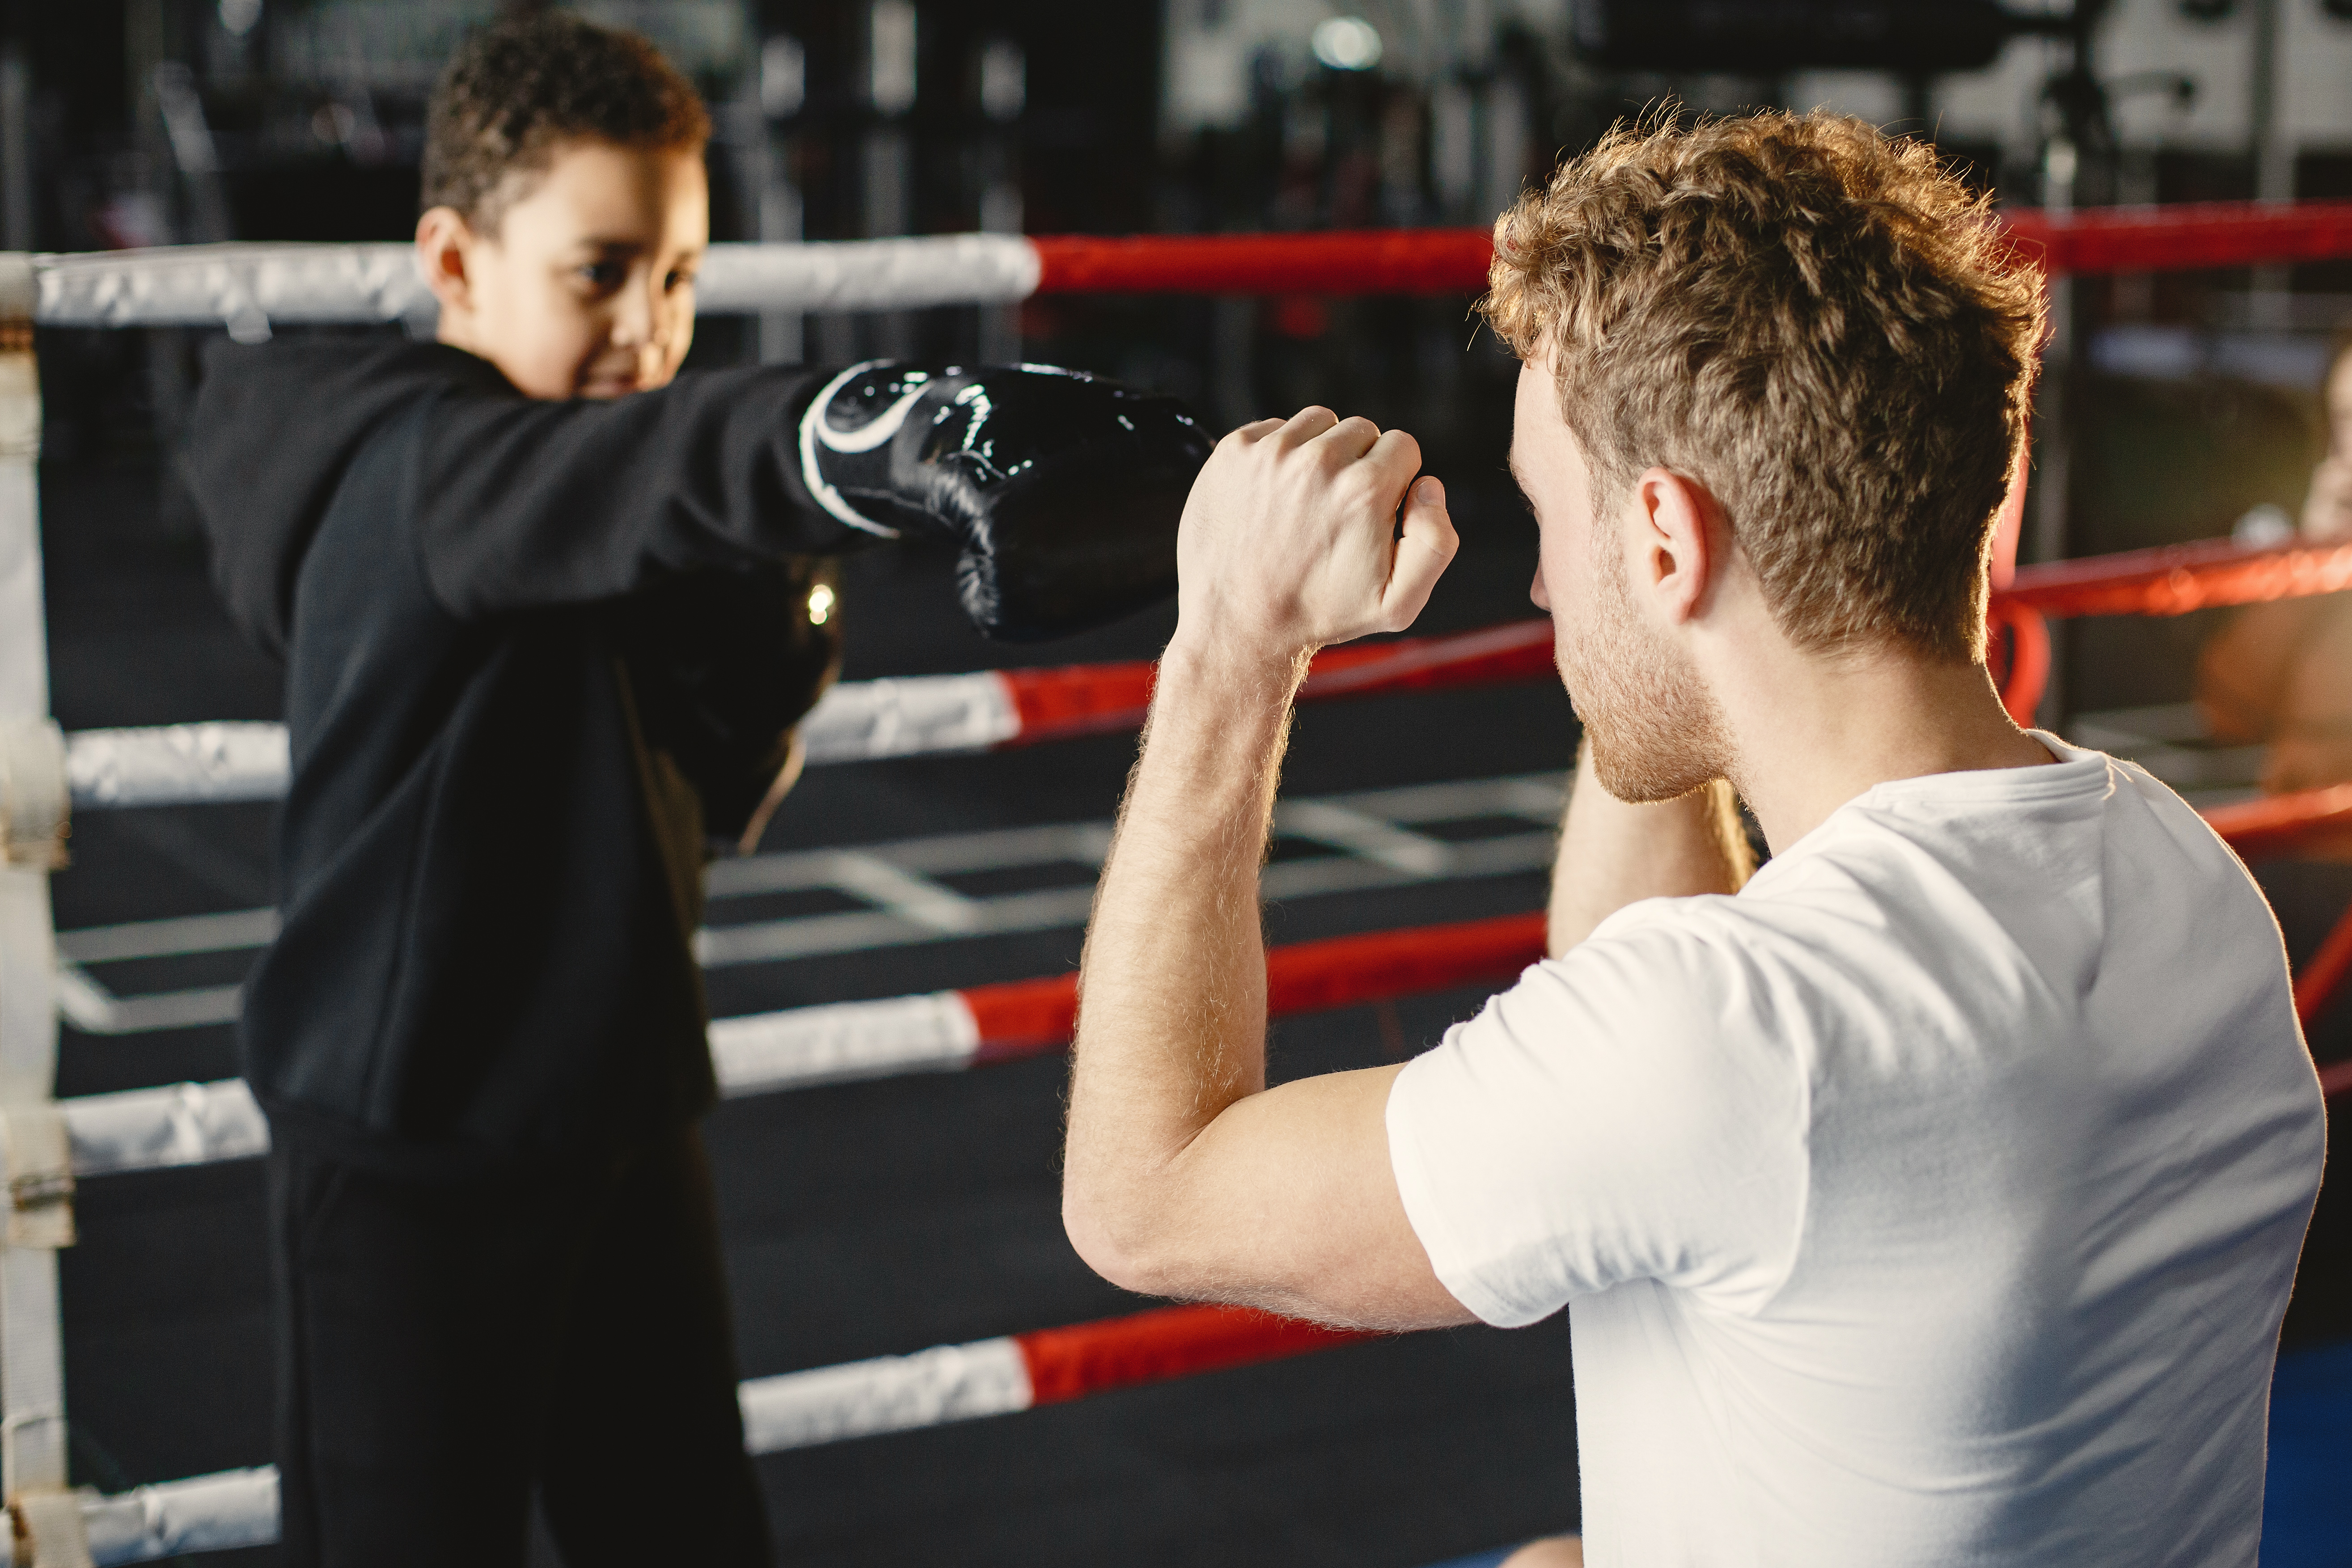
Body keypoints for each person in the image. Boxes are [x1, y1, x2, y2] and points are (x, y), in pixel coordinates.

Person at [1062, 111, 2327, 1567]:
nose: (1542, 585)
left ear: (1666, 540)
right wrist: (1670, 642)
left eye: (1554, 518)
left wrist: (1230, 643)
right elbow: (1649, 1003)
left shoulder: (1733, 1039)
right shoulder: (2191, 882)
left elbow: (1143, 1198)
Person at [180, 14, 1203, 1567]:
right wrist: (880, 430)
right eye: (597, 272)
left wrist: (776, 603)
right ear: (455, 262)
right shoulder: (430, 473)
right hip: (412, 1152)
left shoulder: (593, 498)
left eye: (674, 280)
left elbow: (725, 757)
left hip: (618, 1101)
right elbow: (670, 457)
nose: (643, 332)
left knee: (685, 1532)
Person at [2199, 333, 2352, 802]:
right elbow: (2226, 713)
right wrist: (2310, 564)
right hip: (2301, 841)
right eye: (2345, 421)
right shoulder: (2316, 560)